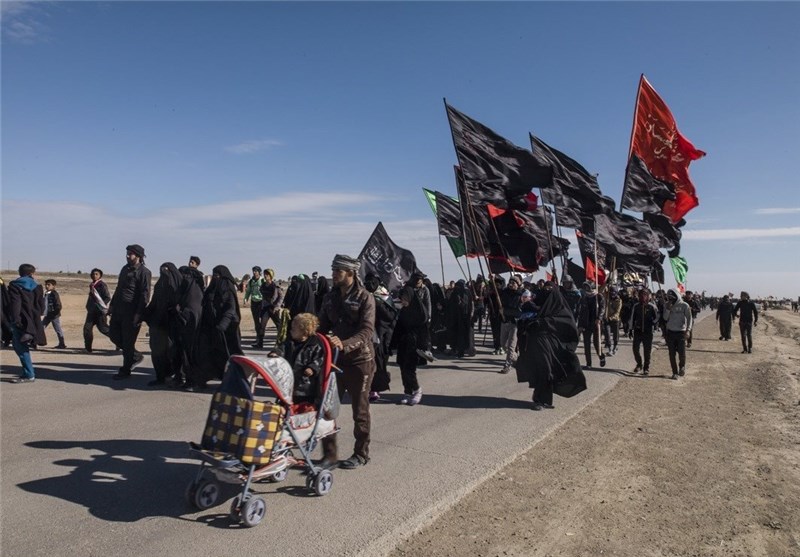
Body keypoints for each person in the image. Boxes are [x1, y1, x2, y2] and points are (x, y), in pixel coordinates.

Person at [317, 254, 376, 470]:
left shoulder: (364, 297)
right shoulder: (330, 297)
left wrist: (344, 343)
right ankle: (329, 456)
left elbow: (367, 330)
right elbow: (321, 325)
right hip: (335, 362)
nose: (333, 275)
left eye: (337, 271)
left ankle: (361, 454)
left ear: (350, 273)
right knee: (327, 409)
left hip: (360, 362)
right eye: (333, 271)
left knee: (359, 411)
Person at [516, 286, 583, 411]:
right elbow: (522, 322)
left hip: (552, 346)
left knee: (548, 371)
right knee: (541, 371)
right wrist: (529, 324)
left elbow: (565, 324)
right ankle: (539, 400)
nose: (546, 292)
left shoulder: (559, 309)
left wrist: (543, 322)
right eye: (545, 289)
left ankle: (543, 399)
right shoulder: (532, 306)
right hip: (534, 345)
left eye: (550, 289)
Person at [192, 265, 243, 391]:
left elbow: (231, 309)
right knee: (206, 353)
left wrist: (222, 325)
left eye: (218, 275)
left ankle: (233, 381)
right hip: (210, 327)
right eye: (214, 275)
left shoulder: (228, 289)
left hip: (226, 330)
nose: (216, 277)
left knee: (228, 356)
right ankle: (202, 379)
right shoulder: (211, 288)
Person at [109, 244, 152, 380]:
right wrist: (112, 305)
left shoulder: (144, 272)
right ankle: (135, 356)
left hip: (132, 312)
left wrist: (138, 314)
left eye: (130, 254)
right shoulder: (124, 269)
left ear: (138, 256)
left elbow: (145, 295)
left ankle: (125, 369)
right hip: (118, 310)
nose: (127, 256)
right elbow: (118, 288)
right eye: (127, 253)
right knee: (113, 335)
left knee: (128, 342)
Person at [271, 313, 326, 407]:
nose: (291, 330)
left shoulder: (315, 345)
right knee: (284, 404)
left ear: (304, 331)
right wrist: (276, 352)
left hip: (305, 385)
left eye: (294, 328)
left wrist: (312, 367)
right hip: (288, 381)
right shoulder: (289, 342)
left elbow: (320, 358)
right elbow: (281, 348)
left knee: (303, 406)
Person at [142, 262, 183, 386]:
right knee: (157, 351)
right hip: (158, 323)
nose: (164, 274)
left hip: (173, 324)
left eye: (166, 271)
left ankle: (178, 376)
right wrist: (145, 314)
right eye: (161, 271)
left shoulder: (179, 286)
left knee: (173, 351)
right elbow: (154, 302)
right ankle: (160, 376)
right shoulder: (160, 285)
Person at [6, 264, 46, 383]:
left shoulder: (15, 285)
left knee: (20, 347)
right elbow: (41, 306)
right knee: (22, 346)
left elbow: (15, 304)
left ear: (20, 273)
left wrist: (15, 320)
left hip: (20, 320)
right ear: (32, 274)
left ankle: (29, 374)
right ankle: (27, 372)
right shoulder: (37, 286)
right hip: (33, 320)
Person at [364, 273, 397, 402]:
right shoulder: (364, 295)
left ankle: (375, 389)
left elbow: (391, 316)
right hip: (366, 334)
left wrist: (378, 304)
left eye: (372, 281)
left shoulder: (383, 295)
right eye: (368, 281)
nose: (370, 284)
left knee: (379, 363)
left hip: (381, 336)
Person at [393, 285, 427, 405]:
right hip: (403, 344)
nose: (403, 301)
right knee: (402, 368)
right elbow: (398, 328)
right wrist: (393, 344)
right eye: (402, 298)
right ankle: (407, 392)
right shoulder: (403, 311)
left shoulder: (419, 312)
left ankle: (417, 390)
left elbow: (424, 331)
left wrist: (424, 346)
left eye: (405, 298)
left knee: (409, 369)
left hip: (414, 345)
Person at [175, 265, 204, 388]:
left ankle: (194, 381)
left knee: (191, 354)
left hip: (192, 327)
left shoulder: (191, 292)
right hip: (192, 327)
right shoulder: (195, 289)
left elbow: (189, 311)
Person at [662, 288, 692, 379]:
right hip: (670, 333)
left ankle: (682, 367)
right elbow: (665, 318)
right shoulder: (667, 305)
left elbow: (690, 319)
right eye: (669, 297)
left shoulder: (684, 305)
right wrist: (668, 309)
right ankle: (674, 372)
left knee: (682, 353)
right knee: (671, 354)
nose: (671, 299)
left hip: (681, 333)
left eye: (672, 297)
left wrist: (688, 330)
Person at [628, 288, 659, 374]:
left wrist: (653, 323)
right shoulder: (636, 306)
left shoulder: (652, 306)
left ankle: (646, 367)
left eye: (645, 294)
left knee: (647, 351)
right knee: (635, 349)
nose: (642, 296)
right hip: (637, 331)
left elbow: (657, 317)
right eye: (641, 294)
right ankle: (639, 364)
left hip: (648, 332)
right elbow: (632, 318)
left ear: (648, 296)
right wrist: (630, 330)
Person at [577, 281, 605, 369]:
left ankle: (601, 357)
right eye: (585, 287)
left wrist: (599, 318)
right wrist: (580, 326)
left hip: (596, 324)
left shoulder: (598, 296)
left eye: (588, 287)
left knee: (597, 343)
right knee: (586, 344)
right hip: (586, 324)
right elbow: (581, 312)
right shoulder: (583, 297)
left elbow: (602, 309)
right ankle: (588, 363)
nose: (586, 289)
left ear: (592, 287)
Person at [498, 276, 523, 374]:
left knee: (511, 346)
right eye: (510, 282)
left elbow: (519, 312)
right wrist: (492, 280)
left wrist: (505, 311)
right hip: (504, 322)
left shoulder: (521, 295)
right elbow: (496, 290)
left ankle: (507, 365)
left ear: (518, 284)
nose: (511, 284)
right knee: (503, 345)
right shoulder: (505, 293)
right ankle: (517, 359)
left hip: (514, 323)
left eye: (514, 283)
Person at [254, 268, 284, 349]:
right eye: (265, 274)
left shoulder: (275, 286)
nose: (265, 276)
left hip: (274, 309)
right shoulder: (263, 285)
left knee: (279, 326)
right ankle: (260, 343)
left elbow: (281, 297)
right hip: (265, 308)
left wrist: (277, 306)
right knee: (262, 326)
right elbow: (262, 294)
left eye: (267, 274)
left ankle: (280, 344)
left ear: (271, 276)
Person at [83, 268, 111, 353]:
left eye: (96, 274)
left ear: (100, 276)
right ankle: (88, 348)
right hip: (91, 312)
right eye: (93, 274)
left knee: (104, 329)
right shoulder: (92, 285)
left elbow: (107, 297)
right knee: (87, 329)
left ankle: (119, 341)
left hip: (99, 312)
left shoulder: (102, 285)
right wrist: (88, 306)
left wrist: (100, 306)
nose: (94, 276)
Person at [42, 279, 67, 349]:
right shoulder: (46, 293)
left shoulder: (54, 294)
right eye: (46, 285)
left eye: (49, 285)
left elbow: (58, 305)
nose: (47, 286)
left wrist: (55, 313)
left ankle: (62, 344)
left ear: (54, 286)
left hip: (54, 315)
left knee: (58, 329)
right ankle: (34, 342)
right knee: (41, 327)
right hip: (48, 314)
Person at [243, 266, 265, 343]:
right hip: (254, 302)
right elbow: (248, 291)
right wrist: (245, 299)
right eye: (253, 271)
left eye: (256, 271)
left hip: (261, 302)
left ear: (259, 272)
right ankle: (258, 337)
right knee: (256, 321)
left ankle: (261, 338)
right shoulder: (251, 281)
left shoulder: (263, 280)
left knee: (262, 321)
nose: (254, 272)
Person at [605, 287, 622, 355]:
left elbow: (617, 312)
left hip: (615, 320)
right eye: (611, 292)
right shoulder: (607, 298)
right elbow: (601, 290)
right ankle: (609, 348)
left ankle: (615, 346)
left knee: (616, 335)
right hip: (607, 320)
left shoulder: (619, 300)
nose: (612, 294)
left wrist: (611, 318)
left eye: (613, 292)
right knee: (607, 334)